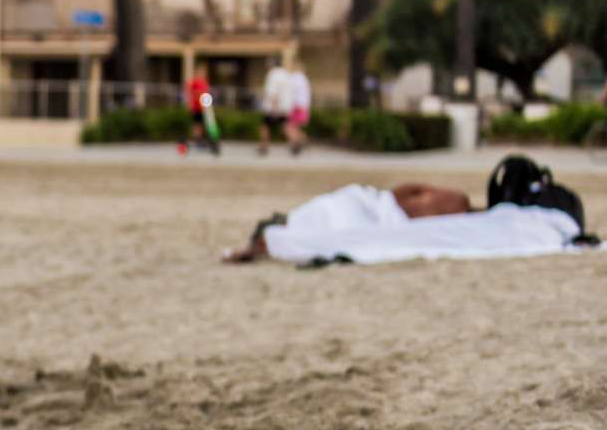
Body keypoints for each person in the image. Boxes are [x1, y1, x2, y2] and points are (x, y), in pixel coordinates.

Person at [222, 175, 587, 265]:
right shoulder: (456, 205)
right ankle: (264, 242)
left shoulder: (453, 207)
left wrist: (384, 204)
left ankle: (262, 243)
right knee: (322, 222)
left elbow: (399, 194)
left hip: (376, 208)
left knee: (319, 225)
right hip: (374, 207)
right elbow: (399, 195)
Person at [179, 67, 221, 157]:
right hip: (197, 107)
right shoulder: (194, 82)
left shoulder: (205, 82)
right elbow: (188, 91)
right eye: (201, 72)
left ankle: (210, 141)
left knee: (207, 124)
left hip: (205, 108)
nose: (202, 74)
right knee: (197, 124)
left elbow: (207, 93)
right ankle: (197, 139)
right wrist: (189, 102)